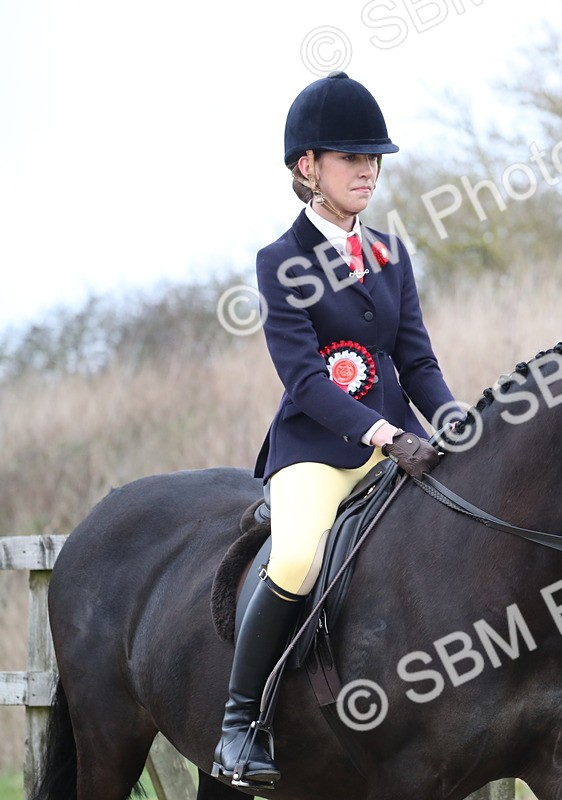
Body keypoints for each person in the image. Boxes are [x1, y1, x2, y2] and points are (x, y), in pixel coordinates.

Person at [212, 71, 456, 789]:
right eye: (353, 159)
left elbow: (416, 358)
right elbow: (306, 382)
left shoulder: (390, 254)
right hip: (320, 451)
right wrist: (384, 434)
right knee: (293, 562)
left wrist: (453, 420)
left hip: (402, 444)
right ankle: (238, 726)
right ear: (307, 167)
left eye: (375, 159)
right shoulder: (279, 261)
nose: (369, 172)